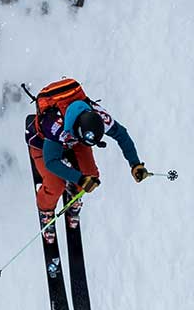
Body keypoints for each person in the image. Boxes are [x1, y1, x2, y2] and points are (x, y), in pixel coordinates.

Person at [23, 77, 146, 221]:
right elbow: (51, 162)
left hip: (75, 140)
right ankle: (46, 210)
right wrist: (79, 178)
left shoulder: (99, 115)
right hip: (43, 143)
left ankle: (74, 192)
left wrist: (135, 163)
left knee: (91, 176)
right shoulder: (54, 125)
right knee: (55, 185)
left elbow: (121, 134)